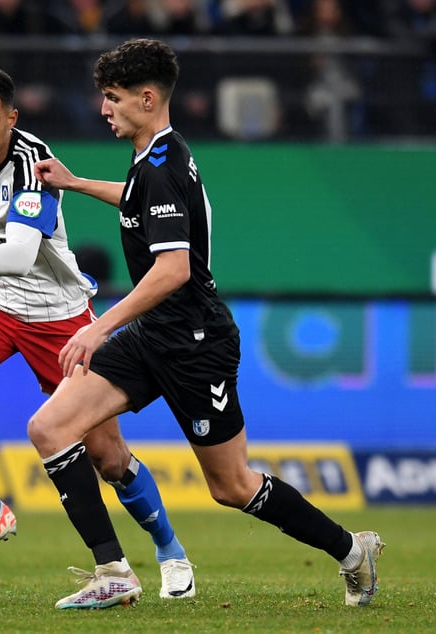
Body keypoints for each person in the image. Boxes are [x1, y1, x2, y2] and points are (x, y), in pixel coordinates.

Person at [28, 38, 385, 610]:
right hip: (152, 336)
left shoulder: (165, 166)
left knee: (232, 485)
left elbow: (172, 270)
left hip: (196, 342)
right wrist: (74, 183)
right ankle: (113, 571)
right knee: (50, 428)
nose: (104, 110)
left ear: (147, 98)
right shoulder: (155, 159)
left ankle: (350, 551)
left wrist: (99, 327)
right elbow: (138, 203)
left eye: (113, 98)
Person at [0, 67, 196, 599]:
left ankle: (171, 552)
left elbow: (19, 255)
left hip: (58, 313)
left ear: (12, 118)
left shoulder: (33, 163)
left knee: (108, 457)